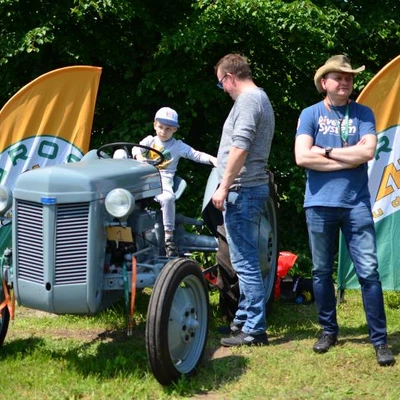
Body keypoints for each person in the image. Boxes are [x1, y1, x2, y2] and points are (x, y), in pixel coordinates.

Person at [294, 55, 395, 366]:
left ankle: (380, 341)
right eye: (338, 77)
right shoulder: (310, 114)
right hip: (319, 205)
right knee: (321, 273)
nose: (346, 81)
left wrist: (323, 151)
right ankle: (328, 331)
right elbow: (301, 157)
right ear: (324, 83)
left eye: (349, 77)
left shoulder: (363, 112)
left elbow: (367, 152)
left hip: (356, 205)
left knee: (369, 274)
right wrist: (345, 157)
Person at [212, 53, 275, 347]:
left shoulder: (249, 101)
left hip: (243, 190)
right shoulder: (258, 98)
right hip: (248, 188)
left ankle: (254, 329)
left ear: (229, 78)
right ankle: (243, 320)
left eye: (220, 84)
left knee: (246, 262)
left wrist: (224, 186)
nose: (222, 90)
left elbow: (240, 147)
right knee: (245, 259)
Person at [116, 107, 217, 257]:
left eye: (168, 129)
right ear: (155, 125)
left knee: (168, 198)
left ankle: (169, 237)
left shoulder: (178, 146)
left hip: (163, 177)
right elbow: (136, 149)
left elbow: (195, 154)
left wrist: (212, 159)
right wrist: (139, 157)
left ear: (175, 129)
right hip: (143, 175)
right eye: (161, 127)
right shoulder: (150, 140)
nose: (163, 131)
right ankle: (119, 230)